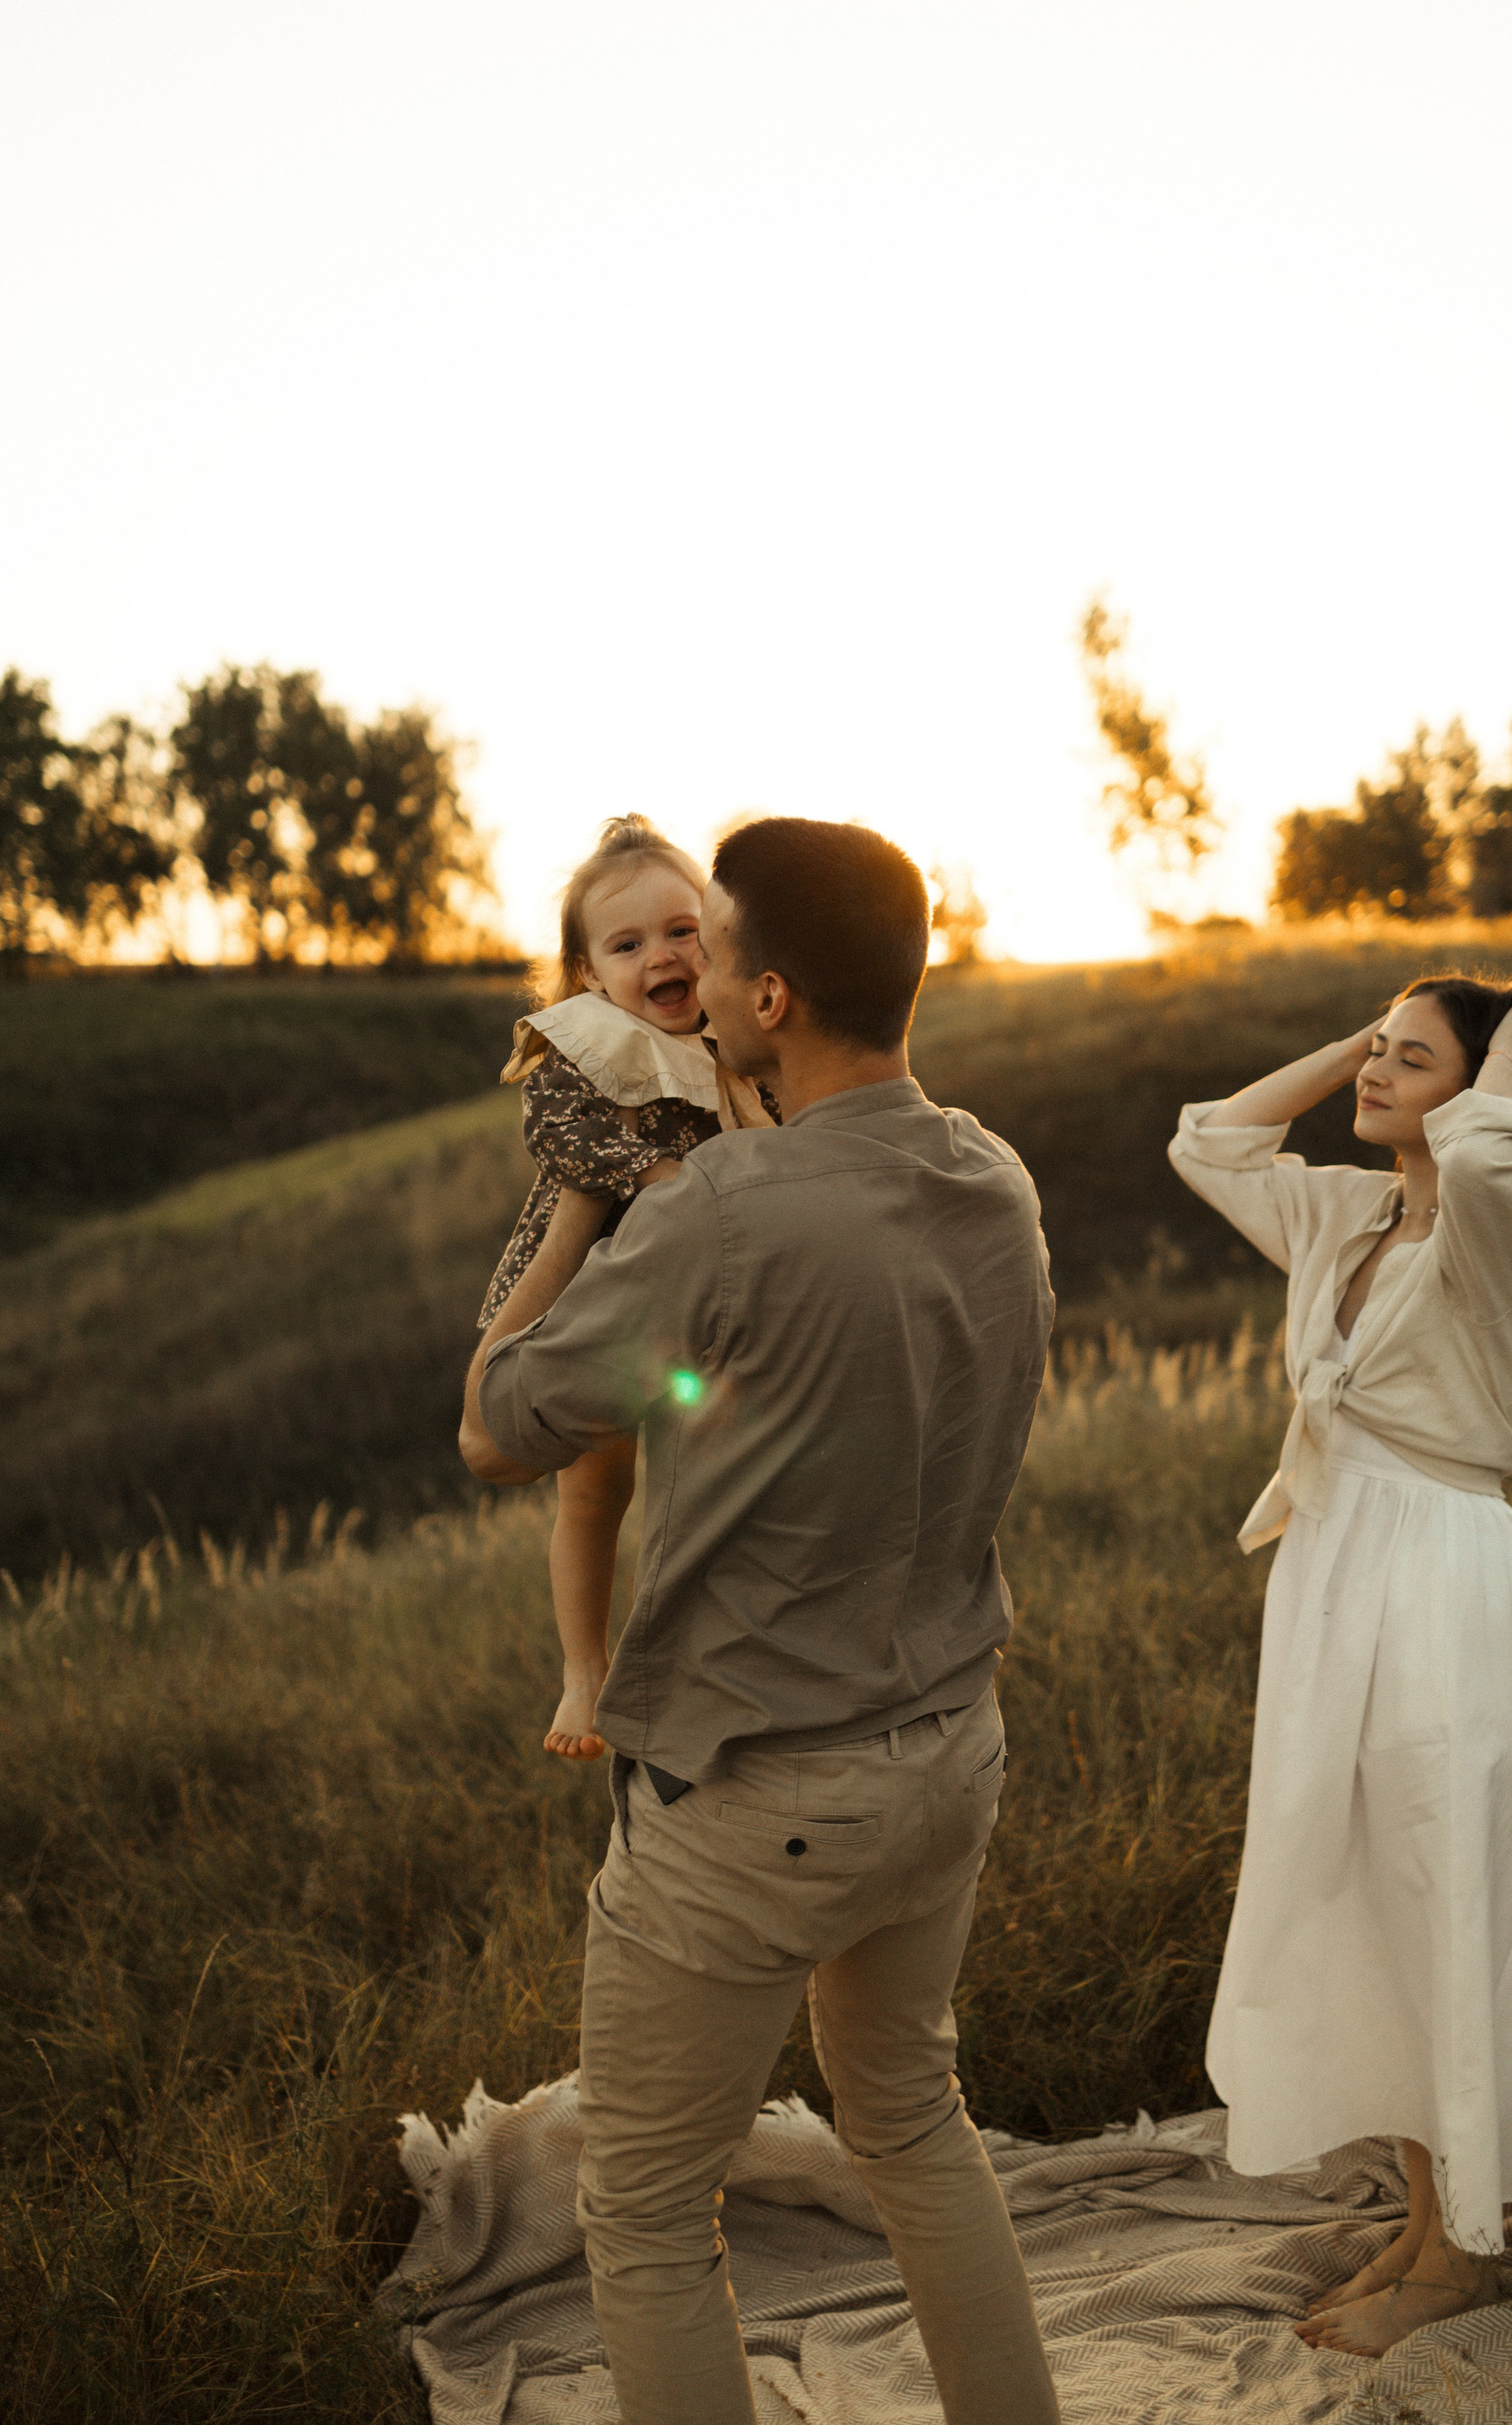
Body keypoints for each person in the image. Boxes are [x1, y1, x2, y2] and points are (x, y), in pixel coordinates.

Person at [458, 817, 1061, 2425]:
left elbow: (496, 1422)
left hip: (753, 1794)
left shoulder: (718, 1212)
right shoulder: (991, 1177)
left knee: (646, 2214)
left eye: (712, 949)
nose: (692, 974)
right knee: (912, 2124)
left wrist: (576, 1195)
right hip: (948, 1750)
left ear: (772, 996)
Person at [1168, 975, 1512, 2360]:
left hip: (1445, 1584)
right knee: (1369, 1894)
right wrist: (1351, 1053)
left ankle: (1468, 2251)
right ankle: (1428, 2216)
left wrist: (1503, 1055)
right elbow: (1205, 1143)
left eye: (1407, 1059)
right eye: (1372, 1051)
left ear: (1479, 1090)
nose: (1376, 1073)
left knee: (1447, 1891)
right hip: (1335, 1578)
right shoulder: (1344, 1215)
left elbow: (1487, 1170)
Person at [476, 813, 771, 1761]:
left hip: (690, 1314)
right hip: (575, 1295)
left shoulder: (734, 1047)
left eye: (684, 930)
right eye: (630, 943)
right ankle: (583, 1672)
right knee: (594, 1493)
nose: (664, 956)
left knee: (704, 1480)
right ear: (590, 974)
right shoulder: (587, 1048)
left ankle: (698, 1651)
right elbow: (559, 1136)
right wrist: (655, 1175)